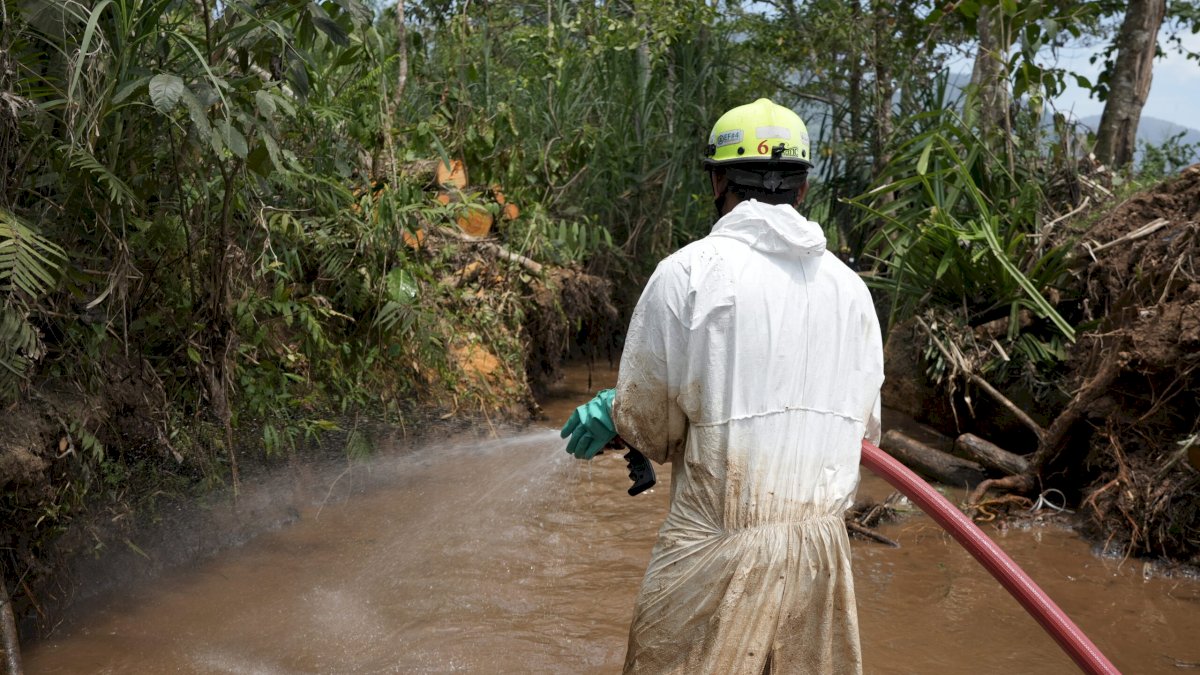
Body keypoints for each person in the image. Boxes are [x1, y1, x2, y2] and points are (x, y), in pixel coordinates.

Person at [560, 98, 884, 674]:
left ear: (716, 180)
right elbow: (865, 435)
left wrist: (619, 414)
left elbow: (651, 427)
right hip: (820, 560)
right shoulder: (852, 292)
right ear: (803, 188)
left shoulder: (689, 273)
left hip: (713, 550)